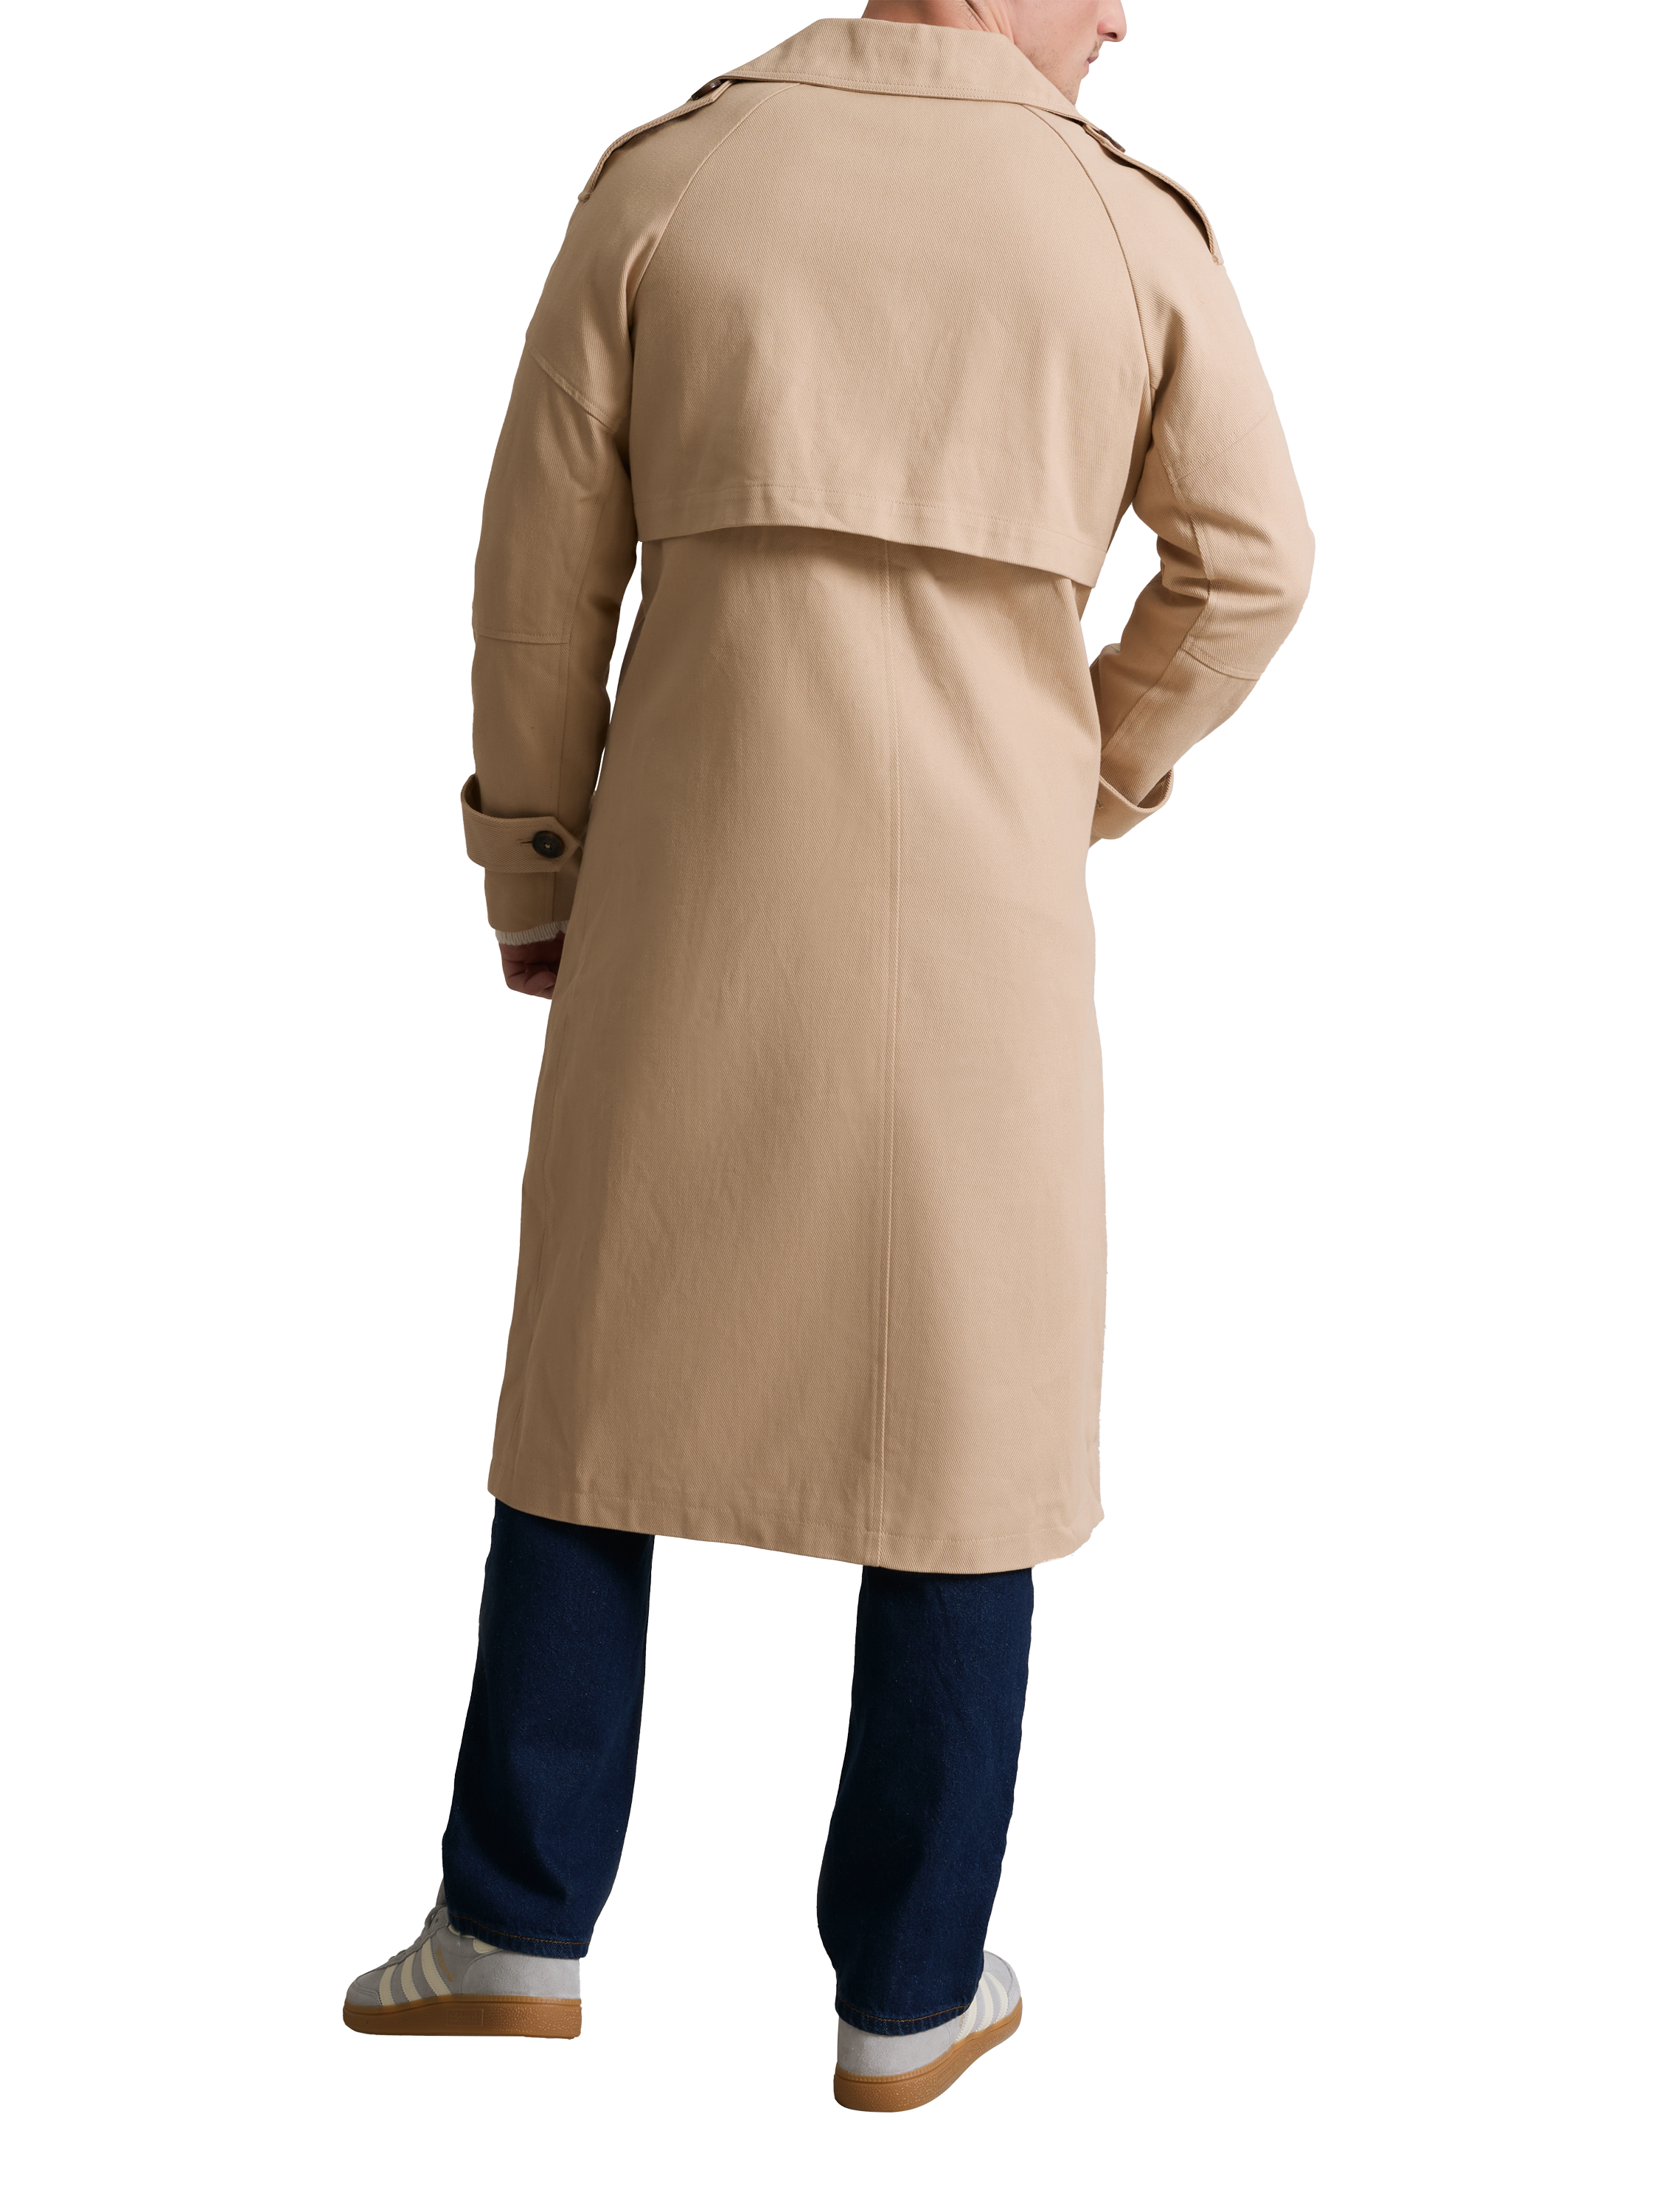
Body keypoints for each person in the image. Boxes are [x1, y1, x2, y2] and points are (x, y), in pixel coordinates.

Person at [344, 1, 1312, 2112]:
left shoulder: (671, 183)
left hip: (689, 897)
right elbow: (1254, 565)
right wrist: (1090, 775)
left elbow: (538, 579)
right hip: (975, 931)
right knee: (964, 1415)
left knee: (601, 1393)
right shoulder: (1118, 230)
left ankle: (510, 1929)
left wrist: (535, 859)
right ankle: (910, 1990)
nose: (1124, 15)